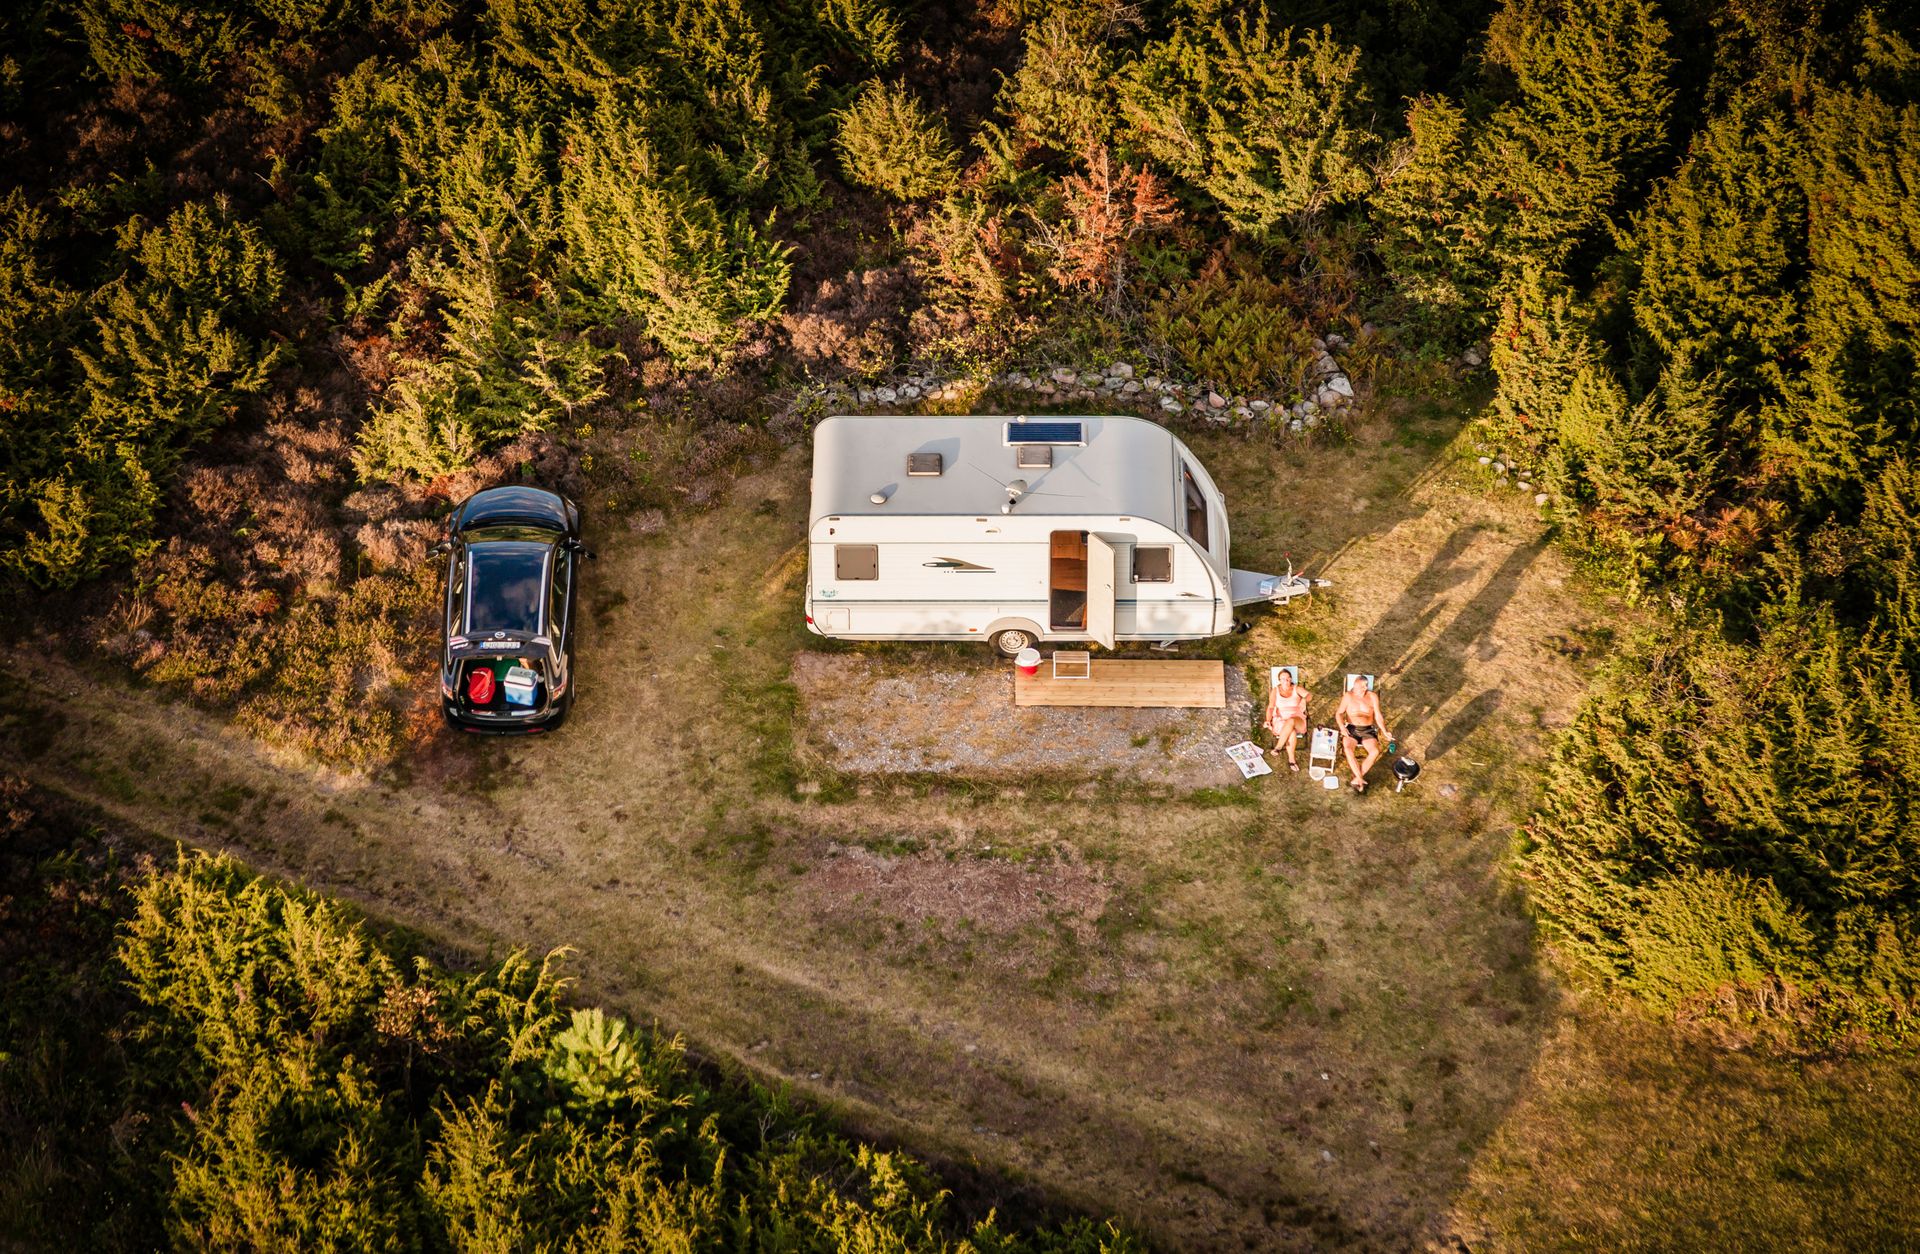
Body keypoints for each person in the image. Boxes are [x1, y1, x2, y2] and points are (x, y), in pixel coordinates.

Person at [1337, 675, 1390, 793]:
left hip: (1368, 729)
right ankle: (1360, 778)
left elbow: (1378, 715)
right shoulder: (1348, 696)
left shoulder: (1372, 697)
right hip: (1351, 728)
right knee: (1348, 749)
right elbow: (1339, 713)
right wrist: (1342, 727)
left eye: (1357, 688)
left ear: (1365, 687)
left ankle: (1357, 778)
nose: (1354, 690)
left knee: (1375, 751)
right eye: (1354, 687)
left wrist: (1384, 731)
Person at [1263, 669, 1310, 772]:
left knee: (1291, 721)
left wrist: (1303, 699)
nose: (1286, 681)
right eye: (1283, 679)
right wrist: (1268, 720)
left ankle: (1278, 747)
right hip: (1280, 720)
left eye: (1288, 678)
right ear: (1279, 680)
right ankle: (1292, 760)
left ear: (1291, 679)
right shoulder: (1275, 691)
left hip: (1297, 720)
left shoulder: (1296, 688)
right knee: (1291, 731)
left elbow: (1309, 695)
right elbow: (1271, 707)